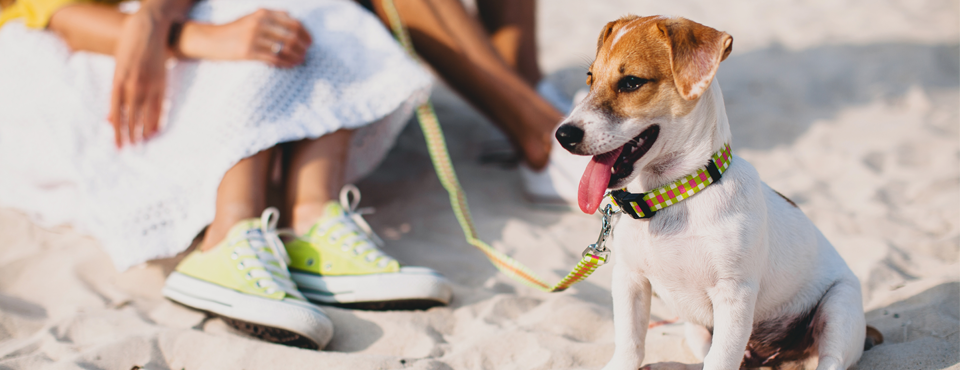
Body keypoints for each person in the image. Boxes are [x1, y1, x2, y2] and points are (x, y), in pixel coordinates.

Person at [0, 0, 581, 350]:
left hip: (156, 28)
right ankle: (228, 236)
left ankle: (312, 219)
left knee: (302, 12)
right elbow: (52, 15)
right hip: (65, 55)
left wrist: (160, 15)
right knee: (262, 21)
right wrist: (175, 29)